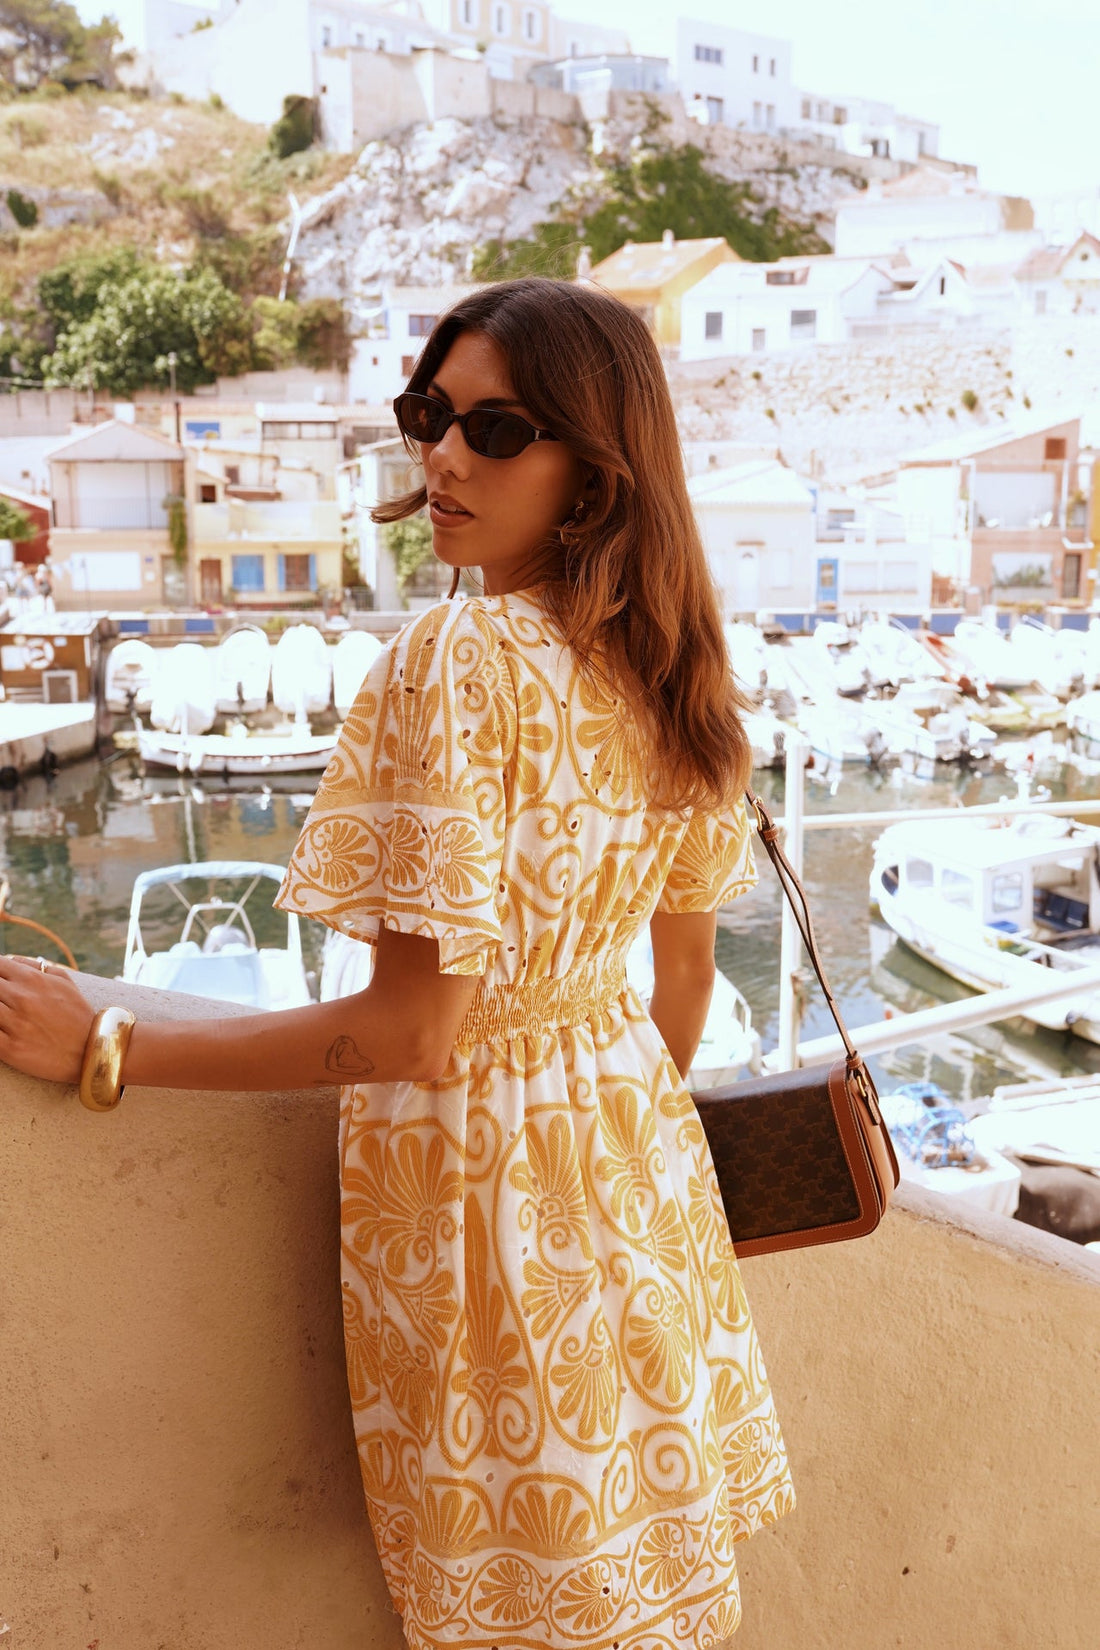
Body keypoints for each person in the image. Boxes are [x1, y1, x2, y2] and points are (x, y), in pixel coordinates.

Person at [0, 278, 794, 1649]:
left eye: (497, 429)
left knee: (510, 1603)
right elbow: (680, 990)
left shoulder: (462, 659)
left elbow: (415, 1034)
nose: (444, 457)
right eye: (430, 415)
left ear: (596, 468)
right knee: (631, 1589)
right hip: (639, 1191)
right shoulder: (672, 669)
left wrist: (111, 1041)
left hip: (487, 1212)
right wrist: (590, 1128)